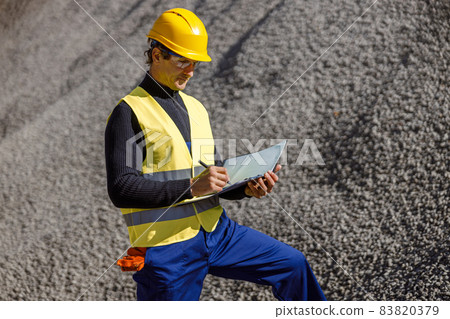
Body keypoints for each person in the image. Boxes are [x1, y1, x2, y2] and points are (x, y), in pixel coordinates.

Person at [105, 8, 326, 301]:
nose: (191, 71)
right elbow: (122, 188)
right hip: (166, 249)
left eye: (195, 63)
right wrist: (191, 186)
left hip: (218, 232)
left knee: (292, 265)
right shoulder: (129, 111)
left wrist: (245, 188)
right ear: (156, 54)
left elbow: (215, 174)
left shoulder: (196, 108)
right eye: (183, 61)